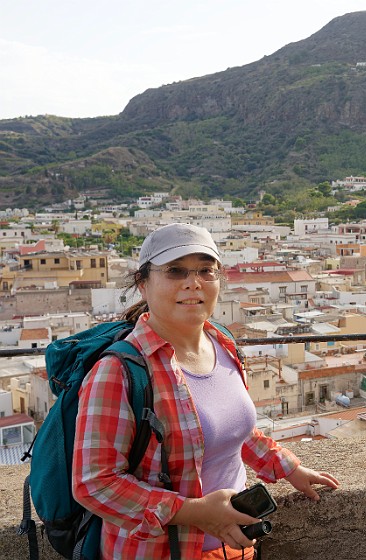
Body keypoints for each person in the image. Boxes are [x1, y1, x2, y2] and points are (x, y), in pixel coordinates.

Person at [72, 223, 339, 559]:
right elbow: (93, 484)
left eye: (205, 270)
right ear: (143, 283)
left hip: (235, 547)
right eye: (175, 271)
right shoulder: (120, 372)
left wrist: (285, 467)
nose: (192, 282)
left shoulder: (222, 344)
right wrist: (196, 511)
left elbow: (231, 428)